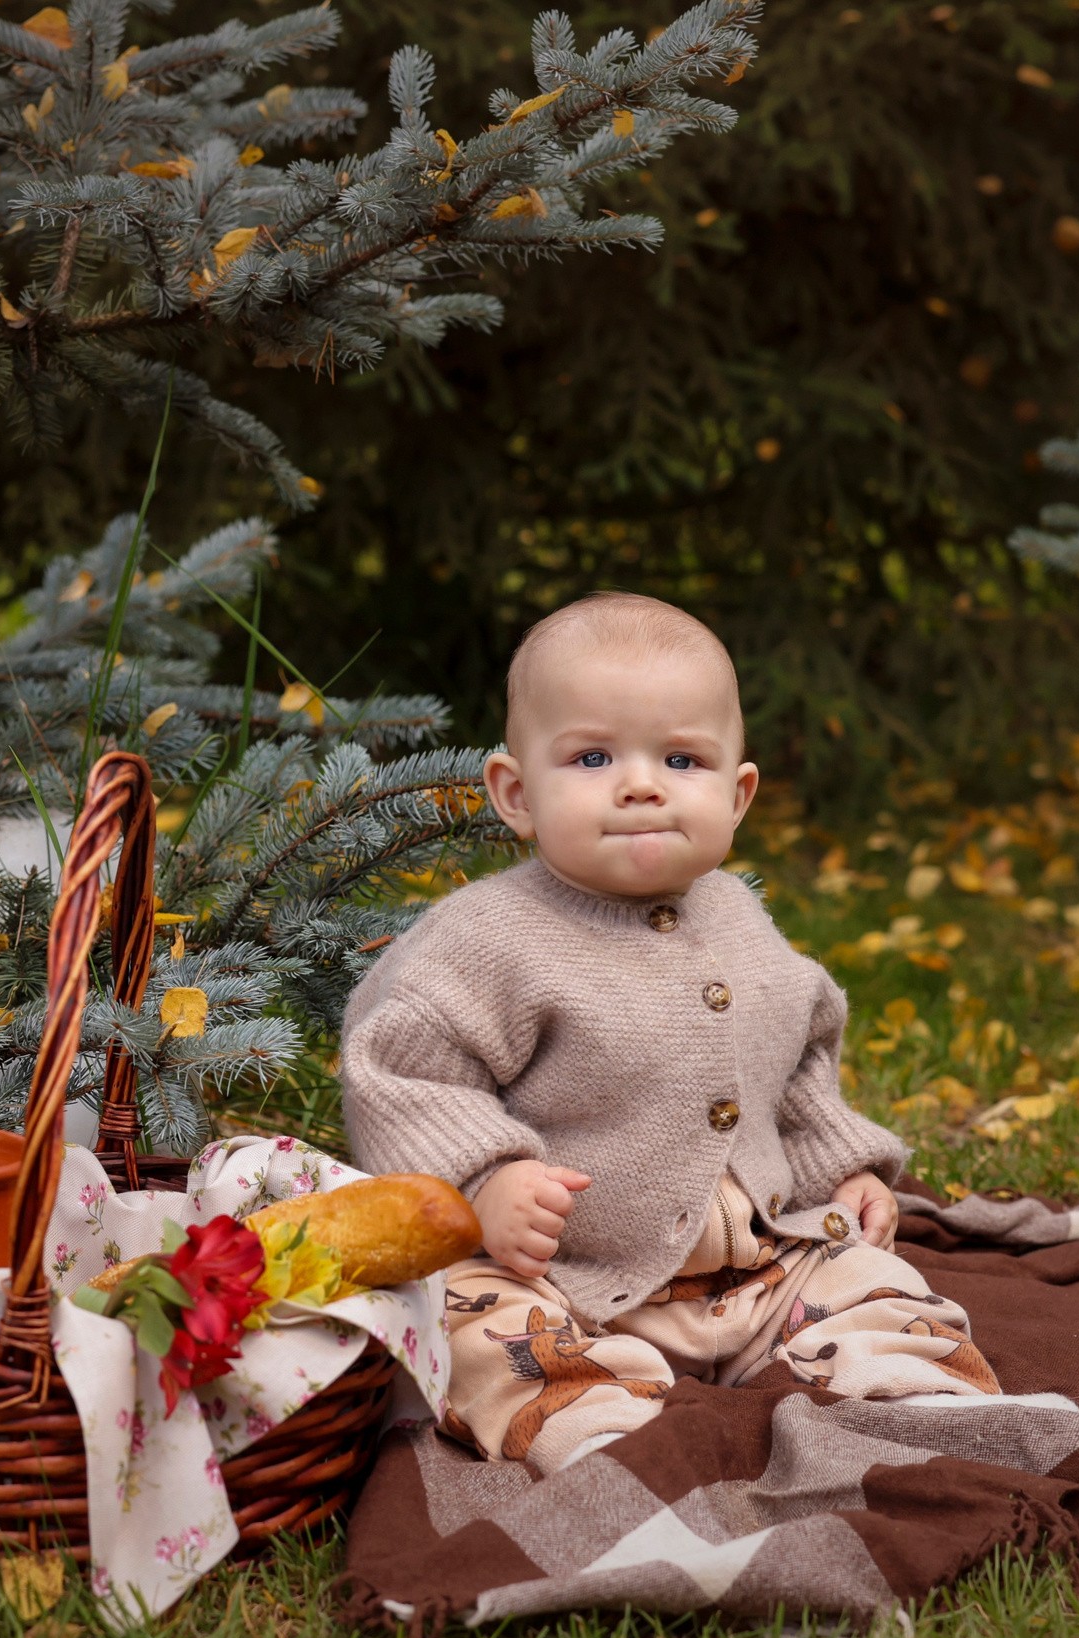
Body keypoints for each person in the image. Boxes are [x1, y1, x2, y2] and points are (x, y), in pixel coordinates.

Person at [339, 592, 999, 1476]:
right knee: (469, 1324)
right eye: (593, 756)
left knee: (875, 1283)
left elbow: (793, 1062)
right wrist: (485, 1184)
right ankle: (603, 1434)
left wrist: (839, 1168)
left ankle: (916, 1405)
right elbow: (404, 1074)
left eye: (681, 758)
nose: (641, 782)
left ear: (738, 795)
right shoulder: (486, 940)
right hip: (561, 1279)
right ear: (516, 792)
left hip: (754, 1273)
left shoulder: (740, 919)